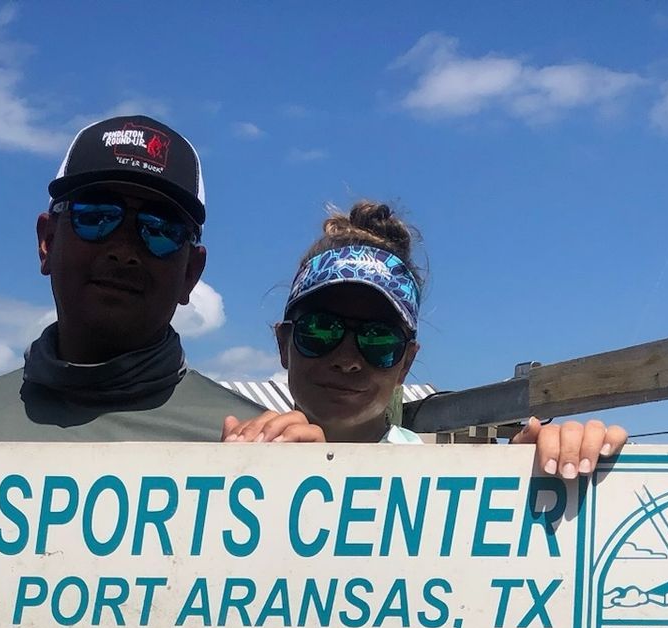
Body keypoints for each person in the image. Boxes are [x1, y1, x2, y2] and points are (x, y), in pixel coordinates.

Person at [0, 114, 318, 444]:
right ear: (47, 241)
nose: (123, 249)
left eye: (159, 230)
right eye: (96, 217)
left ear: (191, 273)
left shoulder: (257, 451)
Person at [264, 200, 628, 474]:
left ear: (405, 363)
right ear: (284, 344)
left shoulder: (447, 478)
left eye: (379, 341)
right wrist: (241, 464)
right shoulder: (228, 464)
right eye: (321, 330)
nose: (347, 358)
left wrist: (533, 475)